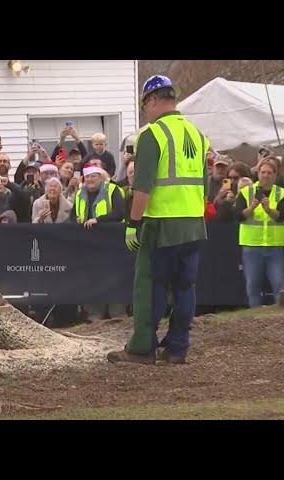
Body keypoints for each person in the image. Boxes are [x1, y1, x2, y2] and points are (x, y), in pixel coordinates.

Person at [108, 75, 209, 366]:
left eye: (145, 106)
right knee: (184, 288)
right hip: (193, 223)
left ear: (152, 100)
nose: (146, 112)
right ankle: (177, 348)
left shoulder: (152, 135)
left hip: (160, 225)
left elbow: (142, 188)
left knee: (149, 287)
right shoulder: (198, 135)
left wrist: (132, 224)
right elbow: (205, 186)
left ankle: (142, 349)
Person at [234, 159, 284, 308]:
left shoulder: (281, 193)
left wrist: (269, 210)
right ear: (258, 174)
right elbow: (238, 216)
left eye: (269, 173)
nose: (266, 176)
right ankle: (254, 320)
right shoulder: (245, 193)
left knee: (279, 285)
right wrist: (251, 208)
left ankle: (279, 319)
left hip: (275, 246)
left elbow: (281, 217)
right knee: (253, 285)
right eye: (263, 172)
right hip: (252, 246)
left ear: (275, 175)